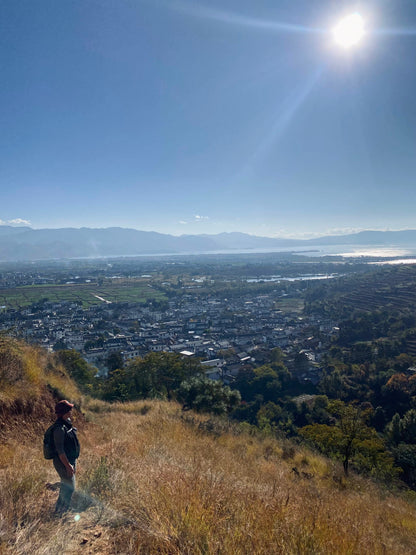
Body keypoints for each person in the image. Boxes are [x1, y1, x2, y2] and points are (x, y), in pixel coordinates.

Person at [52, 400, 80, 515]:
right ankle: (60, 512)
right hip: (63, 462)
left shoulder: (66, 424)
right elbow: (60, 451)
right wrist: (68, 466)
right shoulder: (59, 429)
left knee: (66, 486)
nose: (71, 411)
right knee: (69, 487)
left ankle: (62, 510)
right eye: (69, 410)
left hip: (69, 460)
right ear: (64, 412)